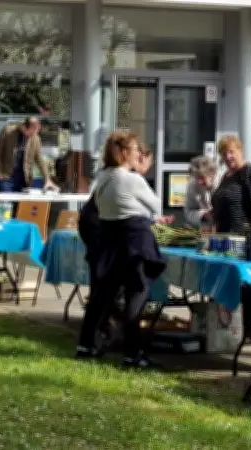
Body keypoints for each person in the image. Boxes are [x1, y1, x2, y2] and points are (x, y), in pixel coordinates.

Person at [76, 131, 171, 368]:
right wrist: (138, 177)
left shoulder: (103, 177)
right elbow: (157, 204)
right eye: (136, 149)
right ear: (124, 153)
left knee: (103, 295)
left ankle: (85, 344)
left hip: (110, 238)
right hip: (134, 240)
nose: (139, 154)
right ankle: (133, 353)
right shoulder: (131, 179)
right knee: (136, 294)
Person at [211, 135, 251, 344]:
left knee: (248, 286)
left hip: (246, 239)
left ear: (241, 150)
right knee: (228, 281)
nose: (228, 156)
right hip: (225, 238)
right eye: (224, 153)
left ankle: (250, 331)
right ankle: (227, 328)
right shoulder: (227, 176)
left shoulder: (250, 173)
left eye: (231, 151)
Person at [0, 116, 57, 192]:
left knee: (21, 204)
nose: (33, 135)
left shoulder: (35, 138)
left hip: (24, 179)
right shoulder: (8, 131)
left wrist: (47, 179)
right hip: (6, 178)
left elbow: (39, 159)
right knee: (6, 203)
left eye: (36, 132)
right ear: (25, 127)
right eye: (31, 132)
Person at [184, 156, 221, 228]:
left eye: (201, 177)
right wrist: (203, 215)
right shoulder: (192, 185)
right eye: (196, 177)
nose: (199, 181)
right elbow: (188, 213)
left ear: (211, 174)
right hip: (204, 229)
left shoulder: (223, 181)